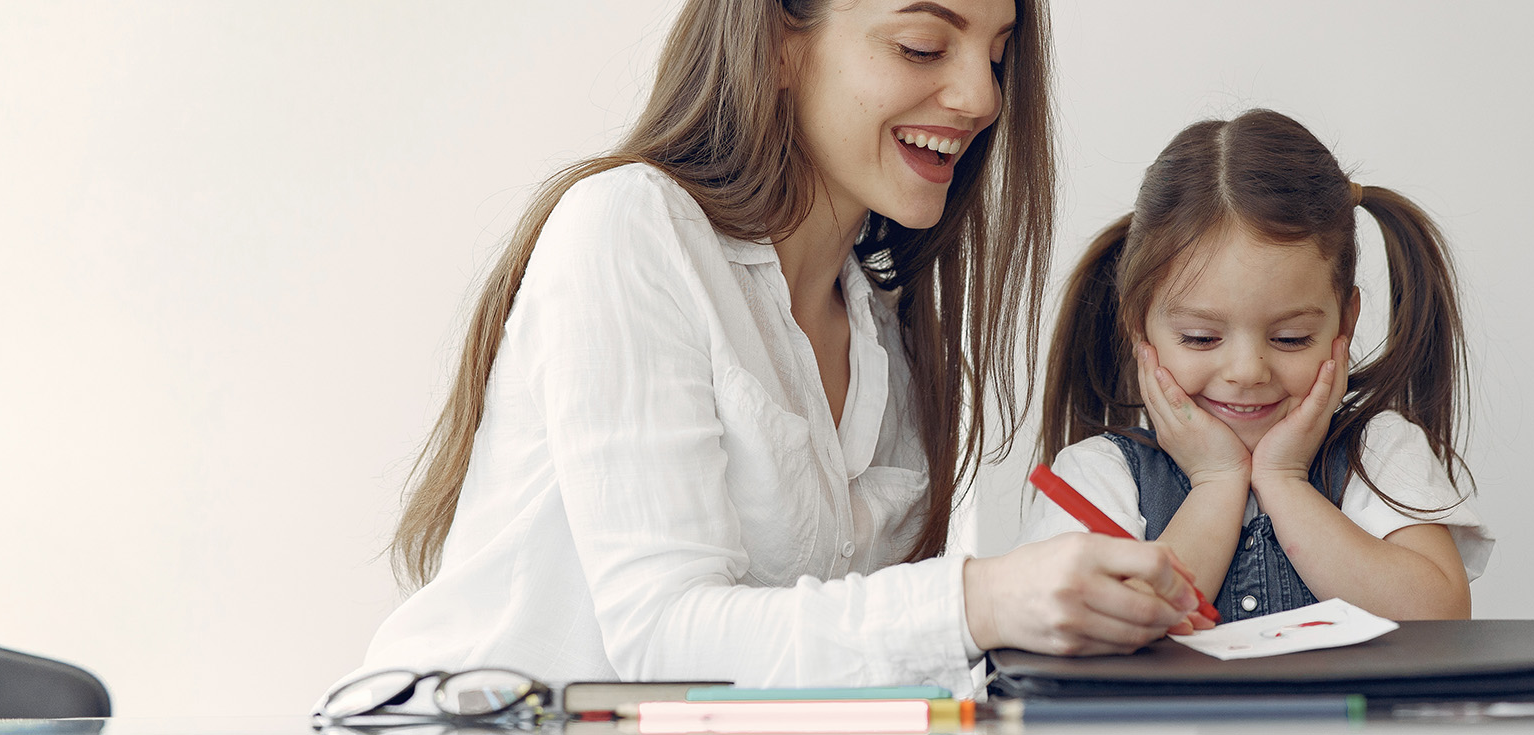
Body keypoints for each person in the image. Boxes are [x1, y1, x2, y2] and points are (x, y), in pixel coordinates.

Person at [339, 0, 1207, 698]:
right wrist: (985, 598)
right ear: (781, 46)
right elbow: (661, 644)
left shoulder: (889, 337)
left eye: (996, 53)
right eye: (921, 45)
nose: (980, 97)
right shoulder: (632, 227)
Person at [1020, 109, 1495, 623]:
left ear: (1345, 323)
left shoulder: (1378, 451)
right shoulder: (1098, 475)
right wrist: (1217, 481)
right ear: (1139, 327)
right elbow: (1103, 626)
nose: (1248, 371)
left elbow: (1440, 616)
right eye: (1201, 338)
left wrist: (1285, 481)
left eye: (1290, 338)